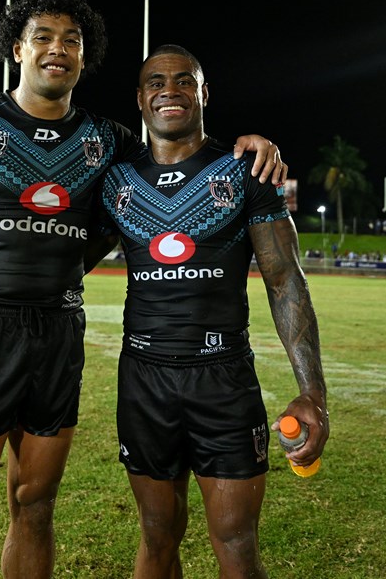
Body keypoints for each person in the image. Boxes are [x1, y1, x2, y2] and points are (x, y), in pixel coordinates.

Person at [0, 0, 288, 579]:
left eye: (70, 40)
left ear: (84, 56)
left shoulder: (108, 143)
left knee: (35, 506)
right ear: (16, 48)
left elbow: (172, 161)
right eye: (42, 37)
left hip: (58, 333)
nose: (57, 49)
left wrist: (251, 148)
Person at [98, 44, 328, 577]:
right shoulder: (116, 180)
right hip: (144, 380)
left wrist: (313, 391)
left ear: (205, 93)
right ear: (140, 98)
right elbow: (65, 251)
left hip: (222, 380)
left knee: (237, 545)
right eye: (156, 82)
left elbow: (285, 280)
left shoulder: (245, 171)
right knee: (157, 538)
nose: (170, 91)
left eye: (184, 81)